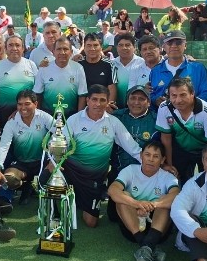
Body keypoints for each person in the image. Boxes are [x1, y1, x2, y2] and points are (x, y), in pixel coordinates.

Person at [43, 84, 141, 228]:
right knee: (46, 176)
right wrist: (53, 161)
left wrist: (156, 165)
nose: (98, 104)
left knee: (91, 222)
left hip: (94, 177)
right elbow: (61, 143)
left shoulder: (113, 122)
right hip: (71, 171)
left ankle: (78, 199)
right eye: (94, 99)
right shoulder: (74, 119)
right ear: (87, 100)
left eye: (102, 100)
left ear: (108, 102)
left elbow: (133, 148)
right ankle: (55, 213)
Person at [108, 141, 179, 261]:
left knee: (166, 201)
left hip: (158, 230)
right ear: (141, 156)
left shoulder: (168, 177)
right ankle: (150, 246)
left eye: (156, 156)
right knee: (123, 197)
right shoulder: (130, 170)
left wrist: (154, 205)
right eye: (147, 154)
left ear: (163, 160)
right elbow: (112, 190)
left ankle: (146, 247)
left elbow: (176, 195)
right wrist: (137, 204)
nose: (151, 159)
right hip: (133, 229)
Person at [0, 90, 55, 201]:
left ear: (35, 104)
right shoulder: (11, 122)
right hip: (22, 164)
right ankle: (24, 187)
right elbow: (4, 146)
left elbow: (61, 135)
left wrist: (53, 161)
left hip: (42, 163)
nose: (23, 108)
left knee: (57, 173)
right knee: (8, 179)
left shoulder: (45, 117)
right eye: (20, 104)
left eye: (27, 104)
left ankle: (34, 187)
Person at [156, 78, 207, 185]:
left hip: (204, 149)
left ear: (192, 94)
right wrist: (169, 164)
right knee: (179, 180)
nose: (178, 100)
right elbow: (166, 138)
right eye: (174, 95)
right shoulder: (164, 108)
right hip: (180, 149)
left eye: (183, 95)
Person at [0, 35, 38, 130]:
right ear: (5, 49)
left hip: (28, 113)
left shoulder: (31, 65)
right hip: (5, 113)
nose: (14, 48)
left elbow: (38, 90)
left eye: (17, 45)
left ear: (23, 48)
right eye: (10, 45)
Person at [149, 30, 207, 106]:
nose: (174, 46)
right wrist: (156, 100)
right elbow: (150, 94)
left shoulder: (198, 68)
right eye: (169, 43)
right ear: (164, 46)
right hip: (163, 113)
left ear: (185, 45)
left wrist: (190, 103)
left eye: (178, 42)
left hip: (192, 112)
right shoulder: (155, 71)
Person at [109, 85, 159, 182]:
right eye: (133, 98)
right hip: (118, 172)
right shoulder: (115, 117)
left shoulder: (157, 121)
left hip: (146, 175)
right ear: (127, 101)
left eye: (141, 99)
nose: (136, 102)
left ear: (149, 102)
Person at [33, 36, 88, 117]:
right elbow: (38, 94)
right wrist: (39, 116)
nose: (62, 52)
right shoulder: (44, 68)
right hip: (48, 115)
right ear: (53, 52)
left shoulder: (78, 68)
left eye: (65, 49)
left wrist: (79, 118)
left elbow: (82, 95)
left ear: (71, 52)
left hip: (71, 115)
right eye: (59, 49)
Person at [79, 33, 118, 109]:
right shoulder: (78, 64)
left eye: (95, 45)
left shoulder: (109, 65)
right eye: (89, 45)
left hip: (102, 107)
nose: (92, 49)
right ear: (84, 47)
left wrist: (108, 106)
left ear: (101, 47)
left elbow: (112, 88)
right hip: (82, 108)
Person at [112, 33, 144, 108]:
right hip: (115, 108)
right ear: (116, 48)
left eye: (127, 45)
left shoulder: (142, 63)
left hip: (137, 107)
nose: (124, 48)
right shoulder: (112, 64)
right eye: (120, 45)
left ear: (134, 47)